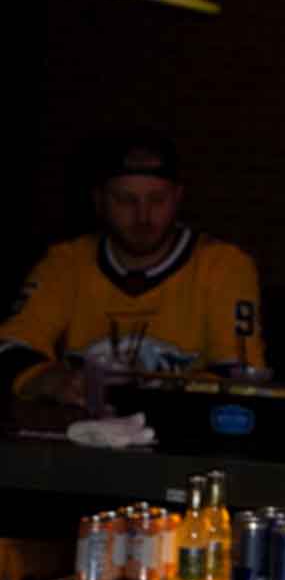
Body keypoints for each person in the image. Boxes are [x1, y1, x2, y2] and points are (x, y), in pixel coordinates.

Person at [0, 130, 266, 405]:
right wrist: (47, 379)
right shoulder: (66, 263)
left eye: (157, 200)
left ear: (178, 197)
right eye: (126, 200)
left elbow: (241, 373)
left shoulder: (224, 265)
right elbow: (11, 347)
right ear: (99, 200)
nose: (143, 216)